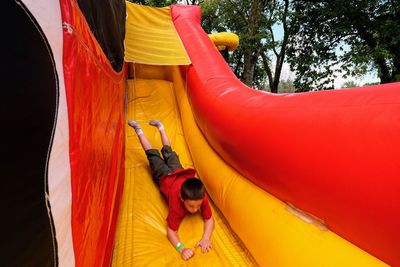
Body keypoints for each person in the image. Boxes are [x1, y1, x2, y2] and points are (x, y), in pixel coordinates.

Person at [128, 119, 215, 261]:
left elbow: (209, 219)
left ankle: (161, 127)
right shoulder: (177, 207)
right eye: (191, 206)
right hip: (164, 176)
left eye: (197, 206)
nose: (195, 210)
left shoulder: (200, 196)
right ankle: (138, 130)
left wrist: (206, 238)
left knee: (169, 151)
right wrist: (181, 248)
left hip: (178, 171)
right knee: (152, 154)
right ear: (182, 199)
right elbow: (171, 231)